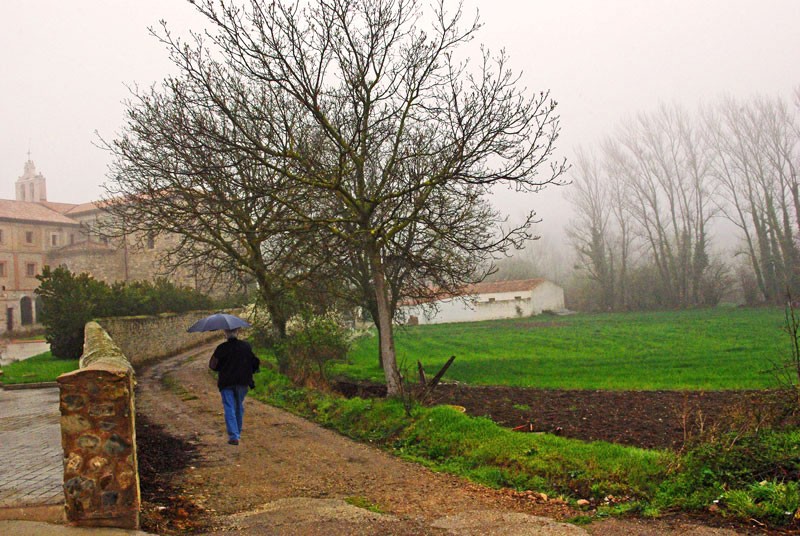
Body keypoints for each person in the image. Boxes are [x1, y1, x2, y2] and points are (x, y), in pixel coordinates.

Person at [209, 328, 260, 445]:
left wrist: (221, 367)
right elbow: (255, 362)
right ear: (237, 333)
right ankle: (237, 432)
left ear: (225, 334)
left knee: (229, 407)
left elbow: (212, 365)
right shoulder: (246, 346)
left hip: (226, 382)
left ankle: (234, 436)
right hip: (242, 382)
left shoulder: (221, 348)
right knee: (238, 406)